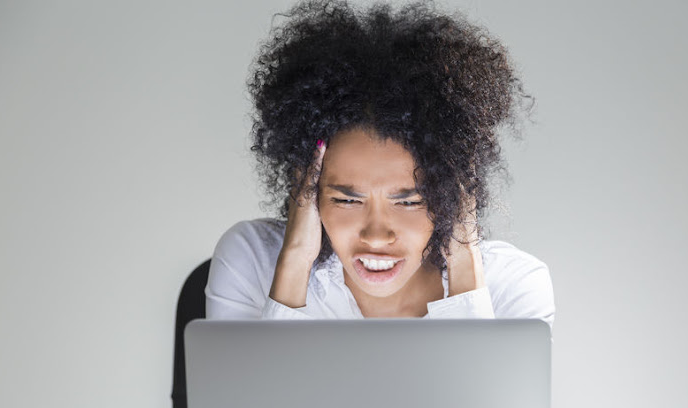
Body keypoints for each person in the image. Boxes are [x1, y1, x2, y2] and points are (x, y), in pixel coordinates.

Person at [205, 0, 554, 325]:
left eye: (409, 201)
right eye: (346, 199)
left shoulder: (513, 289)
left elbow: (485, 394)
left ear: (451, 197)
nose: (376, 235)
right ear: (307, 190)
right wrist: (294, 264)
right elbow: (252, 394)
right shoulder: (251, 262)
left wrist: (467, 279)